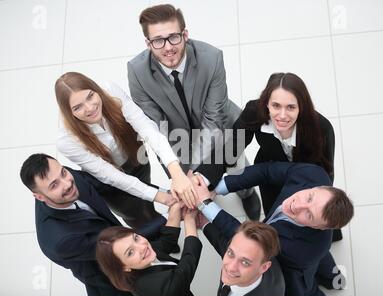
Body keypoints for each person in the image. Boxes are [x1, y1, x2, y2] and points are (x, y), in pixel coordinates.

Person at [128, 4, 261, 220]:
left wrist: (195, 173)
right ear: (148, 43)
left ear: (185, 34)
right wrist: (181, 174)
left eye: (174, 37)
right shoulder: (136, 71)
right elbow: (155, 128)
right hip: (175, 137)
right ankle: (204, 188)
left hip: (222, 126)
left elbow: (213, 118)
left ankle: (246, 193)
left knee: (236, 167)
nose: (168, 47)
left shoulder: (212, 58)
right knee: (190, 178)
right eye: (158, 41)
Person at [55, 72, 197, 234]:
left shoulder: (109, 90)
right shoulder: (66, 141)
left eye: (90, 96)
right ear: (68, 112)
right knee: (134, 215)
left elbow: (146, 127)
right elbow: (108, 175)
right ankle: (155, 241)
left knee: (147, 203)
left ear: (95, 89)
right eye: (77, 107)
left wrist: (176, 172)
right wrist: (159, 196)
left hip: (135, 157)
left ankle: (156, 220)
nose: (90, 108)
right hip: (110, 184)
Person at [192, 162, 354, 296]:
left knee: (306, 290)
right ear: (319, 186)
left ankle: (328, 285)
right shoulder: (313, 174)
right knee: (324, 258)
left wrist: (205, 204)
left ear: (320, 227)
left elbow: (248, 239)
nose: (296, 206)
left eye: (309, 215)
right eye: (309, 197)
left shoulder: (299, 251)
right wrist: (216, 189)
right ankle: (333, 277)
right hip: (316, 246)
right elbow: (266, 171)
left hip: (296, 265)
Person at [233, 72, 342, 240]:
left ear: (301, 107)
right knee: (275, 214)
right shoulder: (254, 111)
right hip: (270, 172)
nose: (282, 116)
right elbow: (230, 148)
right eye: (276, 106)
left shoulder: (322, 128)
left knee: (312, 216)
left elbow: (327, 172)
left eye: (291, 107)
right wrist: (207, 180)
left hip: (308, 182)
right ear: (266, 104)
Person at [19, 153, 136, 296]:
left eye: (63, 172)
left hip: (115, 241)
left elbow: (105, 184)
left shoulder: (64, 175)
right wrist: (166, 223)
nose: (67, 183)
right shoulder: (60, 240)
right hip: (104, 274)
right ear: (40, 197)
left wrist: (158, 194)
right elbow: (116, 247)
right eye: (54, 185)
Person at [96, 202, 201, 296]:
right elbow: (186, 265)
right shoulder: (158, 289)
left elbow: (166, 243)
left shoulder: (141, 259)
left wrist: (175, 209)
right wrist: (190, 219)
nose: (142, 247)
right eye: (130, 252)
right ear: (124, 267)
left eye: (136, 238)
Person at [196, 211, 285, 296]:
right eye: (231, 253)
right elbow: (222, 244)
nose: (230, 268)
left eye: (245, 262)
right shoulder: (257, 254)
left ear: (264, 267)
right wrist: (204, 223)